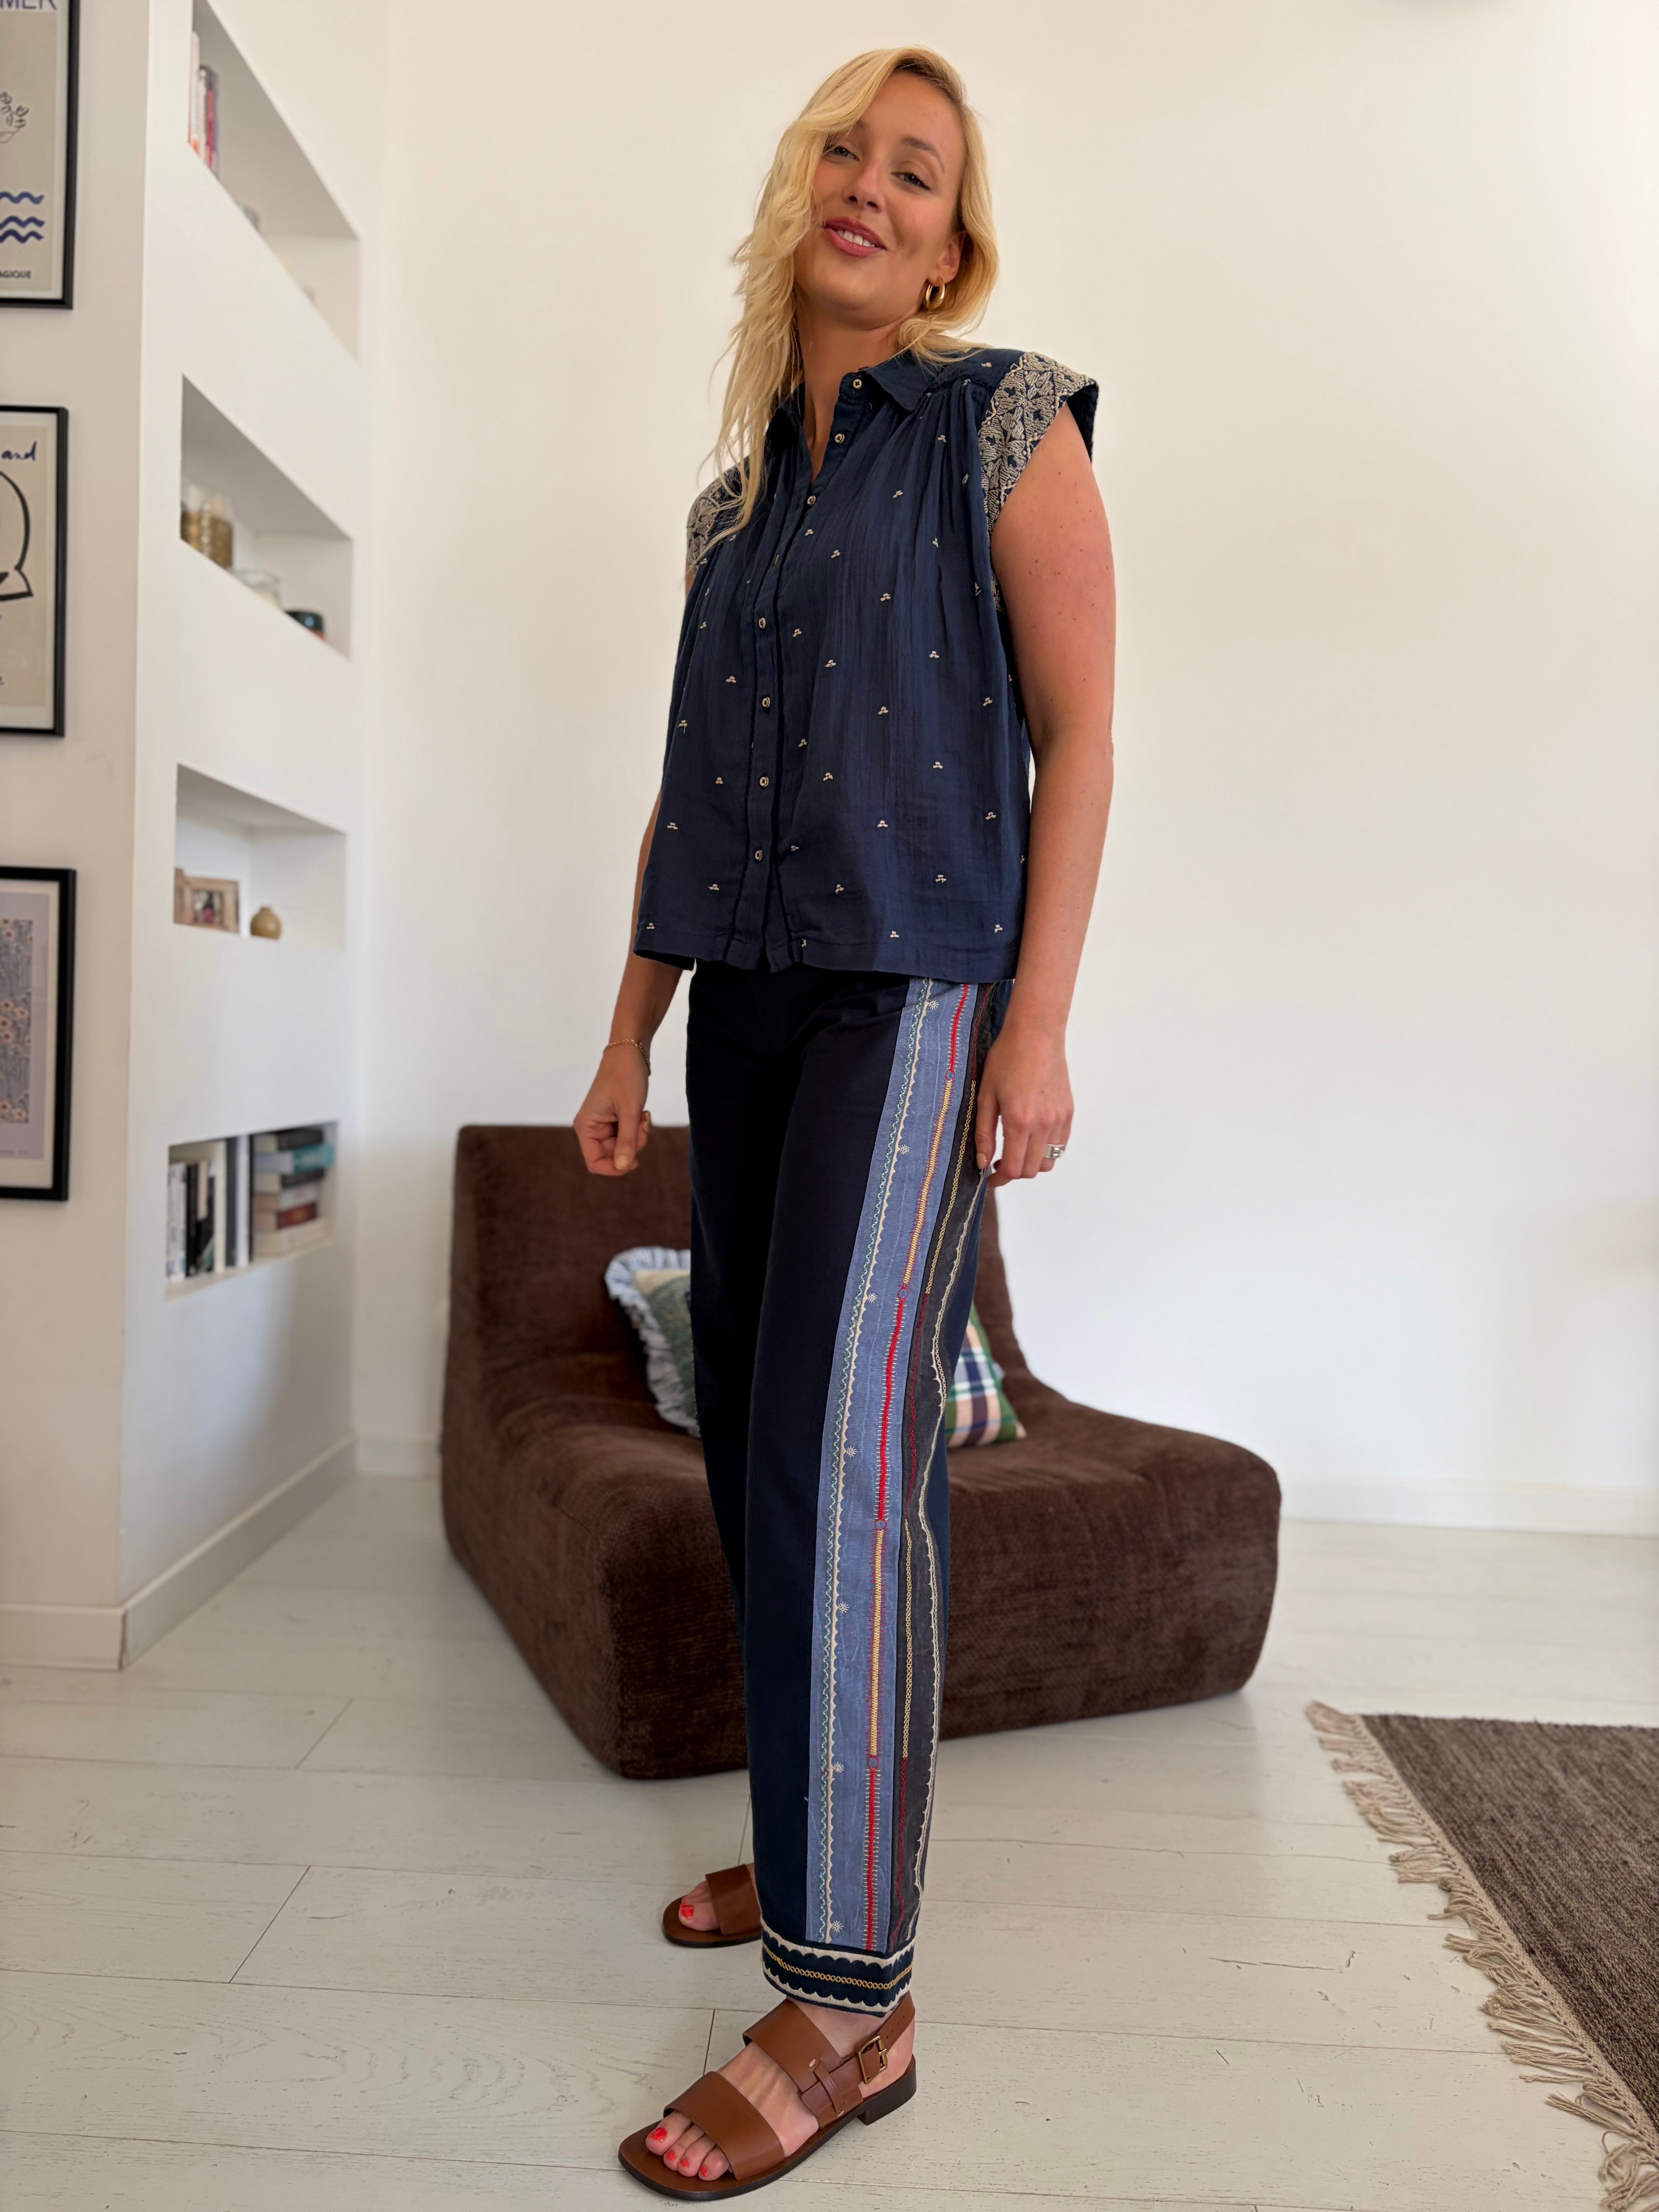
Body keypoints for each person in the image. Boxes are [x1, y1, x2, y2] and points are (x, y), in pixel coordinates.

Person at [577, 44, 1115, 2198]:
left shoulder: (1006, 421)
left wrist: (1035, 1027)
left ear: (953, 241)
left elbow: (1082, 734)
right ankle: (821, 1848)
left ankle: (851, 2002)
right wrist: (628, 1035)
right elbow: (687, 797)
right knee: (749, 1433)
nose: (870, 188)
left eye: (918, 170)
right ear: (799, 184)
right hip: (752, 1001)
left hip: (916, 995)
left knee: (841, 1452)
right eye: (846, 150)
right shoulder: (733, 511)